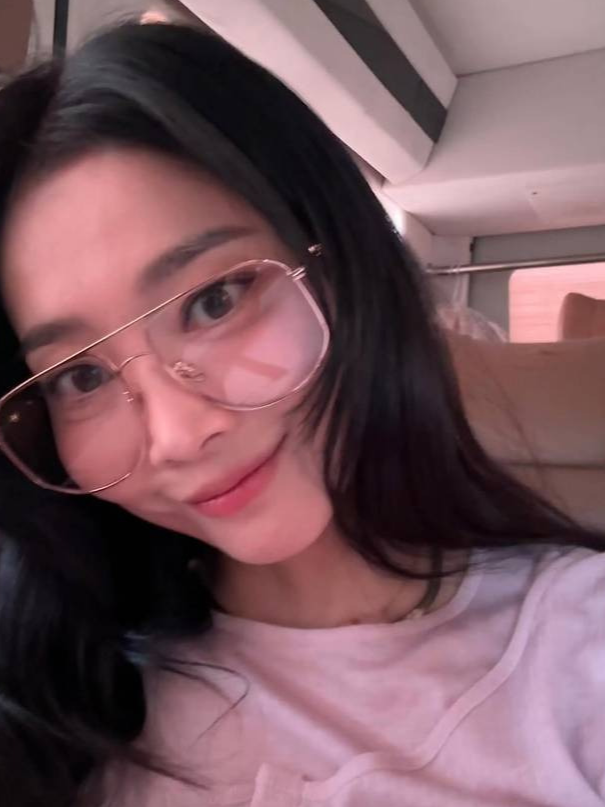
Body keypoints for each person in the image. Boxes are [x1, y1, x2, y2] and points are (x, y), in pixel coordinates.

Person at [0, 21, 603, 807]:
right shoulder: (66, 703)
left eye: (214, 301)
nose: (177, 434)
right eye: (79, 375)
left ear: (340, 263)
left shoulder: (578, 644)